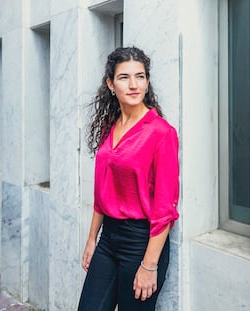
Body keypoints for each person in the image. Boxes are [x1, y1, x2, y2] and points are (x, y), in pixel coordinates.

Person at [78, 46, 180, 311]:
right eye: (124, 77)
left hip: (141, 241)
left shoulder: (161, 133)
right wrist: (92, 239)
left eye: (140, 76)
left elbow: (165, 209)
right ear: (111, 84)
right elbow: (103, 193)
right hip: (109, 238)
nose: (134, 84)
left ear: (147, 82)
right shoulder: (109, 127)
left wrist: (149, 265)